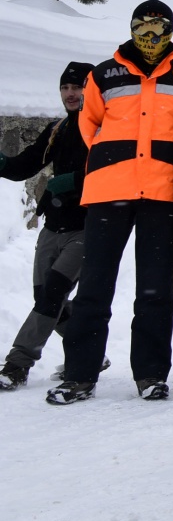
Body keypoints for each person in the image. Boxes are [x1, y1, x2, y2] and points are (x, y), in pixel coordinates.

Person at [49, 0, 173, 404]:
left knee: (156, 289)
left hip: (163, 194)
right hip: (109, 193)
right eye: (143, 27)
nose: (150, 36)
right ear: (132, 27)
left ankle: (151, 374)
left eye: (158, 28)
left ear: (170, 30)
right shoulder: (103, 74)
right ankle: (79, 375)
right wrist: (114, 160)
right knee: (94, 286)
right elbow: (89, 124)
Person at [0, 63, 93, 391]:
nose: (70, 93)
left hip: (86, 228)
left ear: (91, 91)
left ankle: (17, 364)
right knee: (48, 298)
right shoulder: (58, 129)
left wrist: (73, 181)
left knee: (52, 294)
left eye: (77, 87)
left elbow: (114, 173)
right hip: (52, 227)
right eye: (65, 88)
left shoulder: (103, 129)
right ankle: (88, 350)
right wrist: (2, 162)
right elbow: (23, 166)